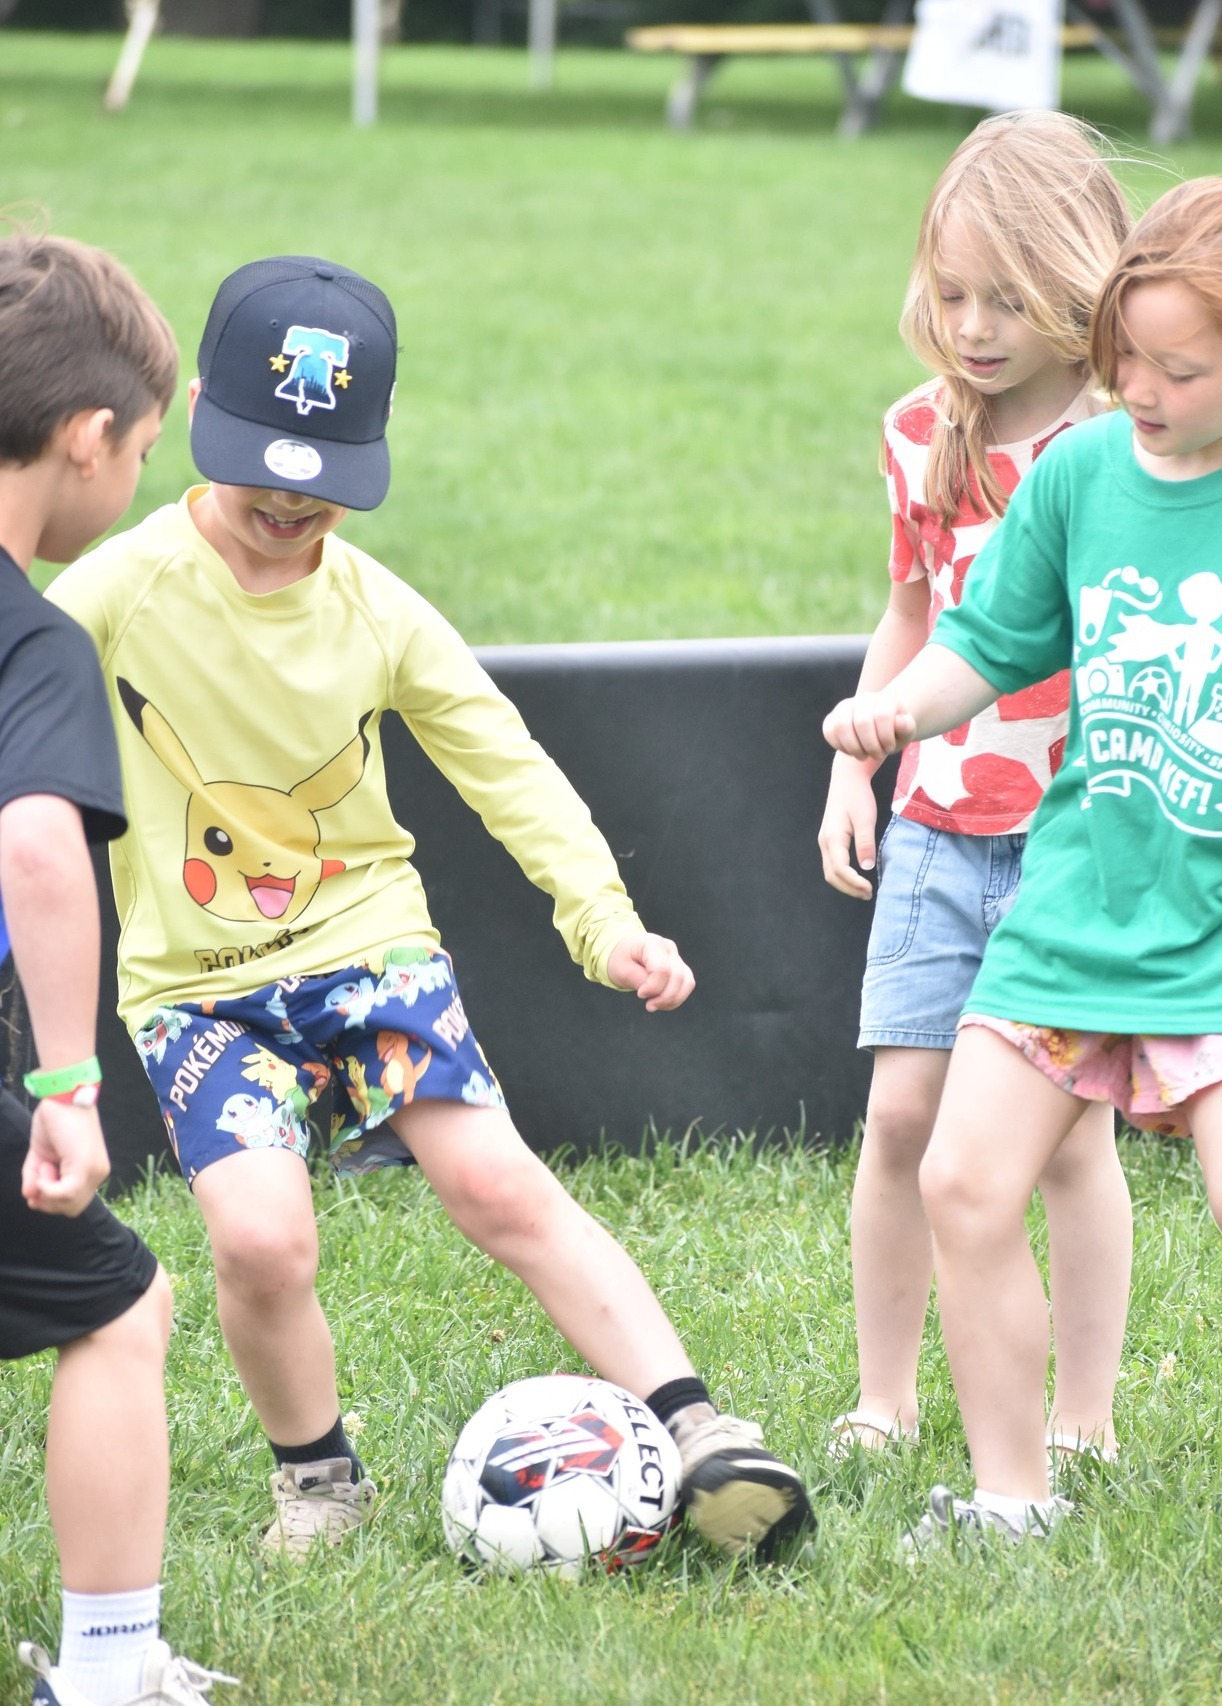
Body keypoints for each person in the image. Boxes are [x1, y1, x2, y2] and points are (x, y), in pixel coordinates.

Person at [47, 255, 813, 1565]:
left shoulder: (378, 610)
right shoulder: (119, 589)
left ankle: (693, 1425)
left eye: (322, 477)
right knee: (260, 1235)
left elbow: (506, 766)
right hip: (196, 987)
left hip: (365, 950)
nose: (290, 501)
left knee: (497, 1182)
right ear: (200, 431)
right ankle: (319, 1472)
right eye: (263, 468)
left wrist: (603, 918)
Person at [823, 176, 1222, 1546]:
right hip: (1078, 906)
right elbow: (987, 642)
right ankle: (1012, 1498)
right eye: (1125, 355)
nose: (1137, 387)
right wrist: (898, 713)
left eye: (1178, 368)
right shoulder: (1075, 471)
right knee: (958, 1177)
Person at [818, 111, 1133, 1465]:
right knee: (899, 1113)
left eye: (1008, 297)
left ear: (1083, 292)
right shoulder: (915, 432)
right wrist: (855, 760)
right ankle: (883, 1400)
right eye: (950, 292)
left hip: (1072, 841)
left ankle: (1083, 1416)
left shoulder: (1125, 445)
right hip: (939, 820)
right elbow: (907, 613)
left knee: (1063, 1143)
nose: (974, 324)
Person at [0, 234, 235, 1705]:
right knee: (119, 1302)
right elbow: (36, 847)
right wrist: (71, 1085)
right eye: (145, 448)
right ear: (89, 439)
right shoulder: (32, 644)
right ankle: (108, 1667)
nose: (137, 473)